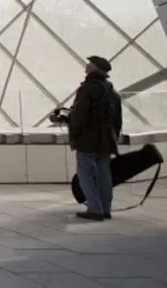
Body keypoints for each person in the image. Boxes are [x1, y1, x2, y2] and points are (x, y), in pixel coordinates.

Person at [68, 55, 122, 220]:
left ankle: (94, 208)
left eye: (89, 64)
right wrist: (114, 136)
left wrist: (74, 132)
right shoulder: (112, 91)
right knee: (104, 173)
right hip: (106, 138)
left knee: (85, 173)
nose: (86, 66)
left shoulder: (86, 89)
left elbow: (80, 115)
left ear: (94, 68)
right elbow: (118, 119)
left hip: (88, 138)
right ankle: (105, 208)